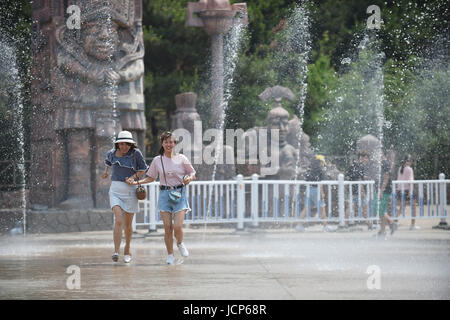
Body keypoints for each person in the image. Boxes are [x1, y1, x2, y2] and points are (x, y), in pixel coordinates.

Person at [127, 131, 196, 265]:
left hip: (179, 193)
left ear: (175, 143)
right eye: (166, 142)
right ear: (162, 143)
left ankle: (180, 243)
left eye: (171, 142)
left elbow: (192, 172)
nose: (169, 144)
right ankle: (170, 255)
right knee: (167, 227)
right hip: (164, 195)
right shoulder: (157, 160)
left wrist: (189, 178)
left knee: (177, 226)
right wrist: (136, 182)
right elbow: (151, 177)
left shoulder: (182, 158)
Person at [101, 130, 148, 263]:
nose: (124, 147)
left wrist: (133, 178)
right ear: (117, 144)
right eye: (121, 144)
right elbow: (107, 165)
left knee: (128, 225)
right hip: (115, 189)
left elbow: (142, 169)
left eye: (127, 144)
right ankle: (116, 251)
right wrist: (105, 173)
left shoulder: (136, 154)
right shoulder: (111, 153)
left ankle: (127, 249)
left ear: (131, 144)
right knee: (118, 220)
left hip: (130, 191)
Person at [296, 155, 334, 232]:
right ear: (320, 162)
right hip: (317, 191)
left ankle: (299, 225)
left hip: (309, 190)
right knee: (322, 209)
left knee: (306, 208)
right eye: (322, 163)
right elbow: (321, 183)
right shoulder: (320, 170)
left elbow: (307, 180)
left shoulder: (310, 170)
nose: (323, 164)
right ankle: (325, 226)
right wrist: (322, 193)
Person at [344, 150, 374, 230]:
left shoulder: (352, 165)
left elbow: (348, 177)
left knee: (350, 207)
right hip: (358, 192)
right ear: (361, 157)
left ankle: (344, 224)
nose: (366, 160)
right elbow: (359, 180)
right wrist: (362, 191)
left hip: (352, 190)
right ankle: (369, 225)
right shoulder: (360, 166)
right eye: (365, 158)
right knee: (364, 208)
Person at [395, 154, 419, 230]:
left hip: (400, 190)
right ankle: (412, 225)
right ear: (408, 161)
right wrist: (410, 192)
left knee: (402, 208)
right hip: (408, 190)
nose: (412, 162)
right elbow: (410, 181)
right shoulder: (409, 169)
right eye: (411, 160)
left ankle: (394, 221)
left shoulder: (400, 168)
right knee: (413, 208)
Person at [373, 153, 395, 237]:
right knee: (379, 210)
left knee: (380, 210)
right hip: (382, 190)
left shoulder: (385, 163)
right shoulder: (383, 163)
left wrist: (381, 191)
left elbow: (386, 177)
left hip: (384, 191)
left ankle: (384, 230)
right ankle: (387, 227)